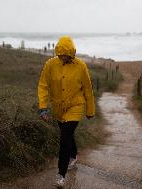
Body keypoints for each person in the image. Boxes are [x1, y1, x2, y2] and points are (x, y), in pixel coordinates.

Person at [38, 36, 95, 188]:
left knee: (64, 140)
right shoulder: (50, 64)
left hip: (76, 106)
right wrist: (43, 107)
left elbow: (88, 89)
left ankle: (61, 175)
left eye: (66, 55)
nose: (63, 57)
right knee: (67, 134)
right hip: (58, 108)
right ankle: (73, 155)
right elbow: (43, 85)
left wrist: (90, 110)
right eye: (60, 54)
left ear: (71, 53)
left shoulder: (81, 66)